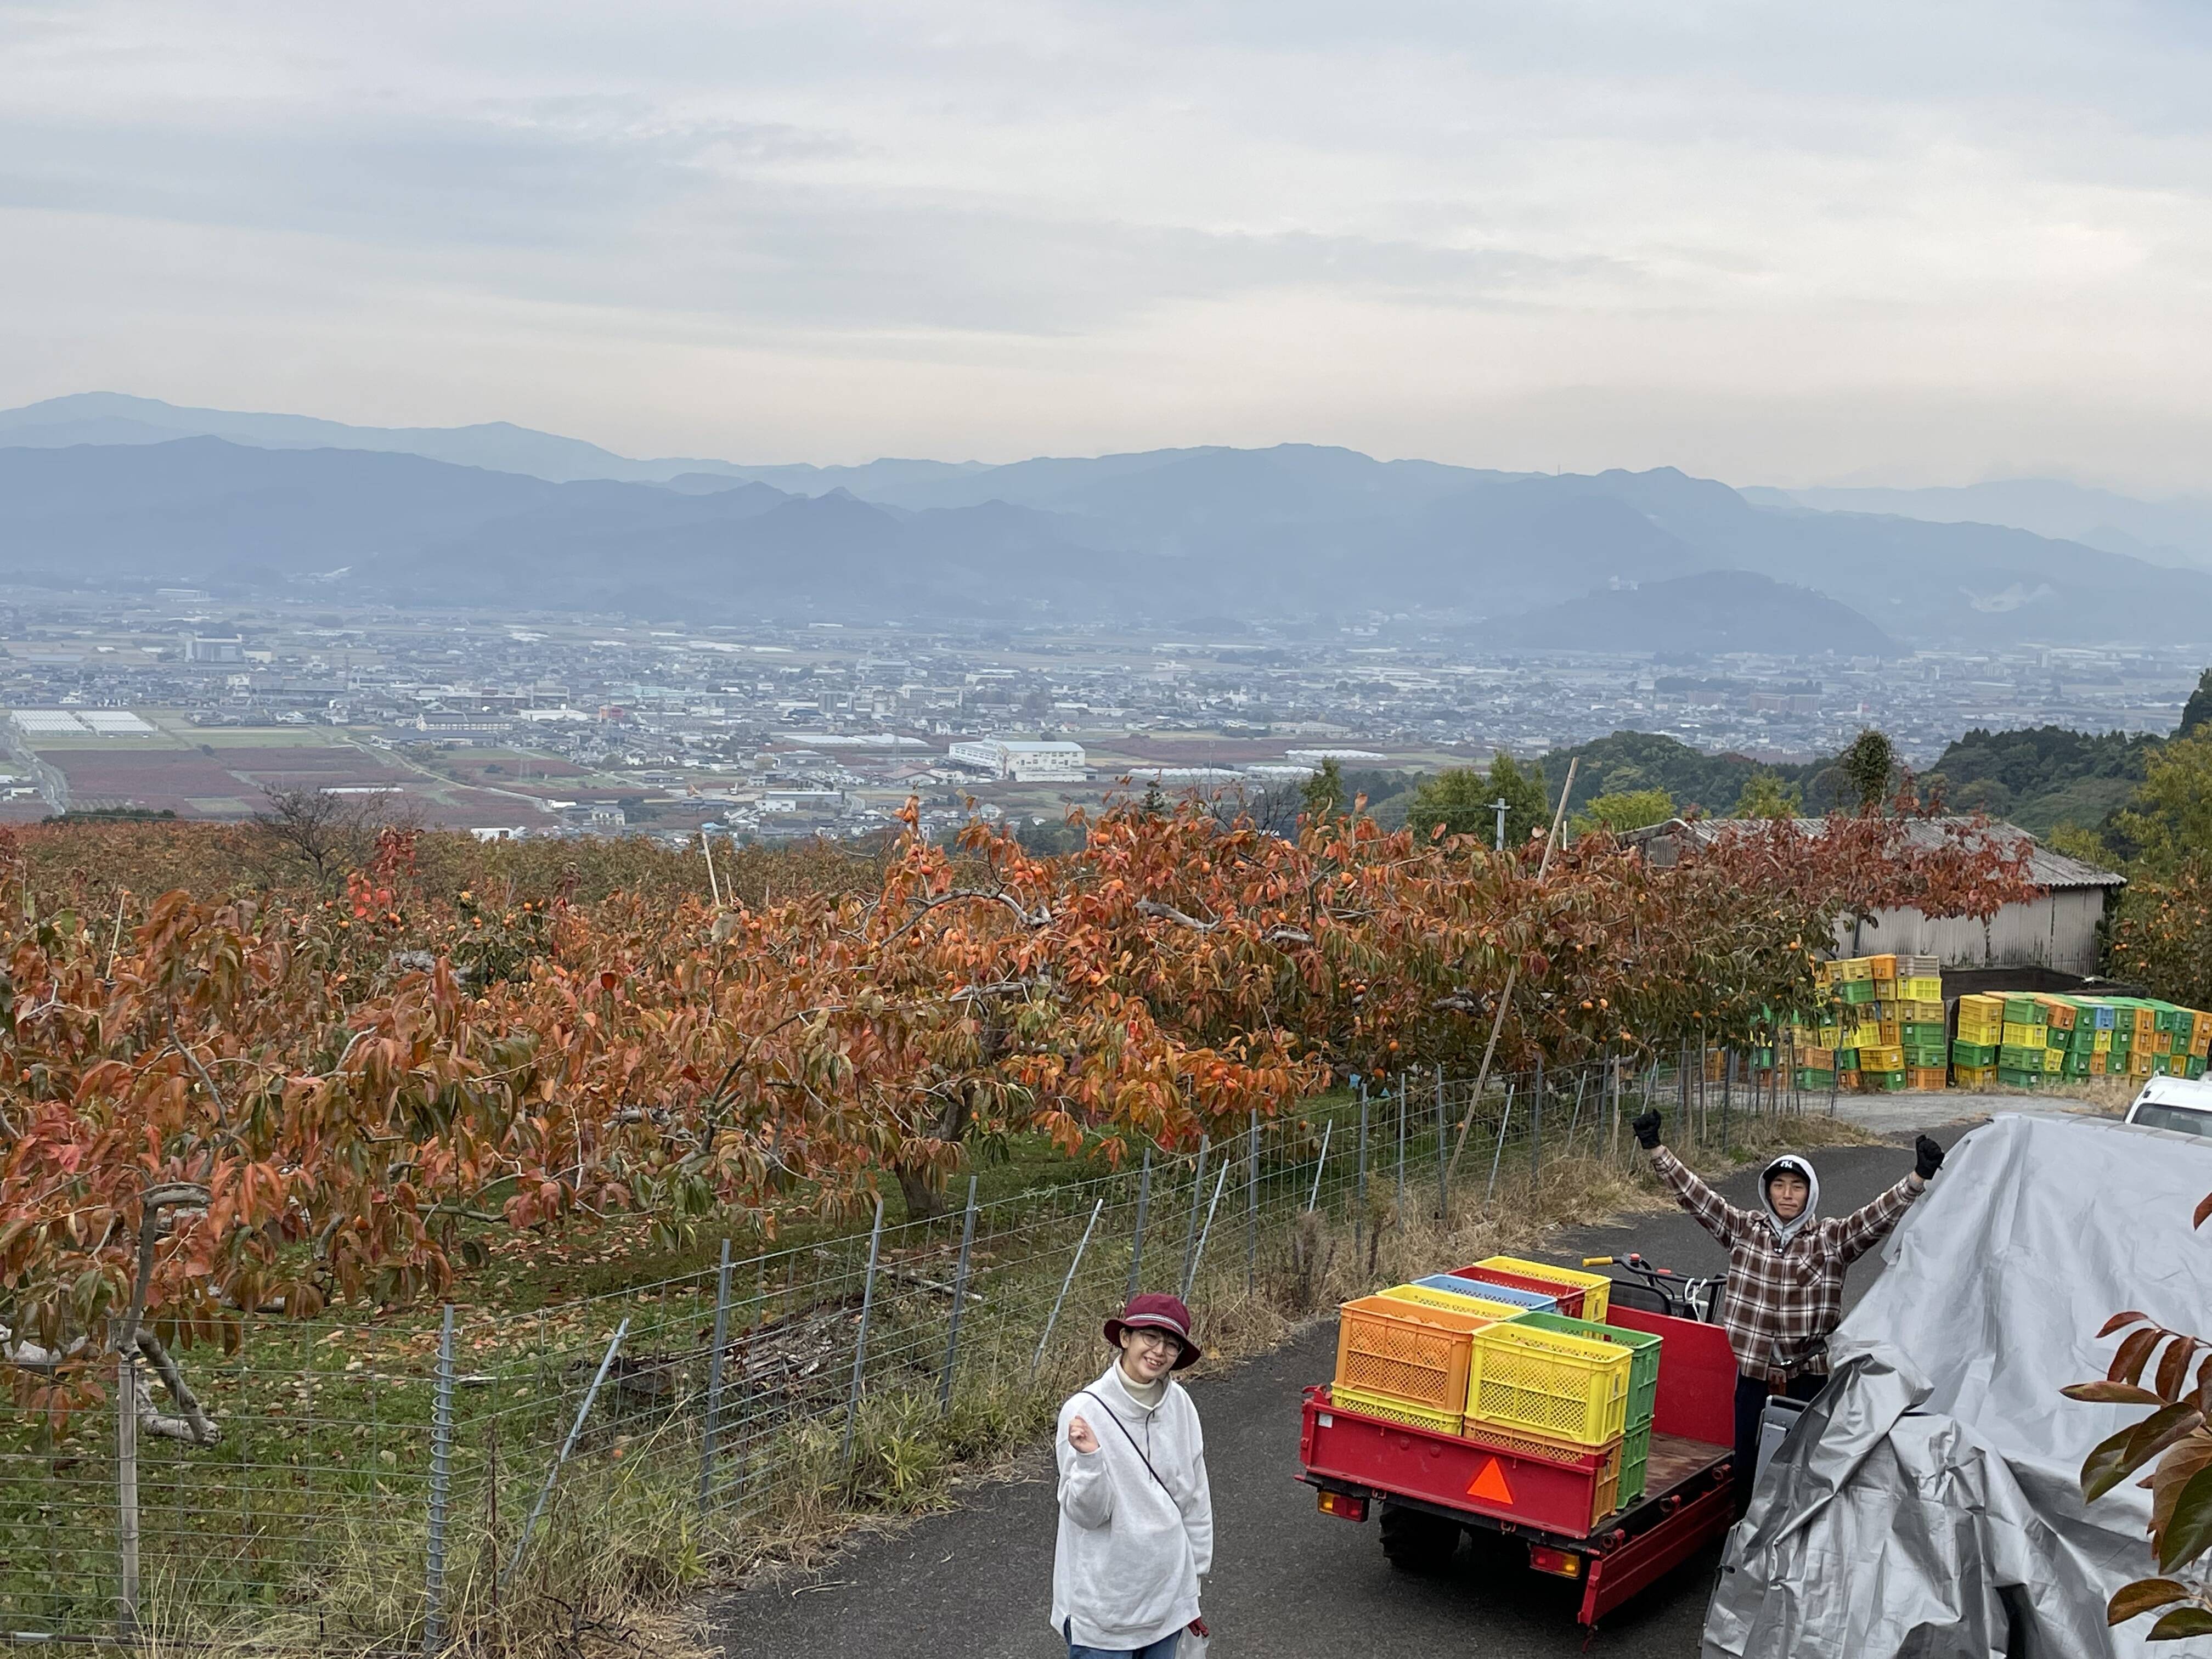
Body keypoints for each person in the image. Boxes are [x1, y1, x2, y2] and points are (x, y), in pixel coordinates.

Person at [1628, 1108, 1946, 1516]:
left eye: (1797, 1186)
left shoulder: (1831, 1240)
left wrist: (1916, 1179)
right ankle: (1743, 1541)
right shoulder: (1745, 1230)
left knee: (1800, 1470)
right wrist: (1656, 1149)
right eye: (1779, 1185)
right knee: (1747, 1466)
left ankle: (1789, 1549)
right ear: (1768, 1190)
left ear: (1810, 1193)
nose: (1787, 1194)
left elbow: (1875, 1219)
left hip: (1804, 1379)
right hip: (1754, 1376)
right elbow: (1698, 1198)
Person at [1052, 1292, 1214, 1659]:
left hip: (1168, 1602)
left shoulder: (1181, 1405)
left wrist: (1194, 1584)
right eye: (1150, 1338)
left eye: (1171, 1345)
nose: (1159, 1352)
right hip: (1104, 1613)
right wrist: (1091, 1459)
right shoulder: (1083, 1411)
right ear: (1126, 1338)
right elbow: (1086, 1515)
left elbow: (1195, 1497)